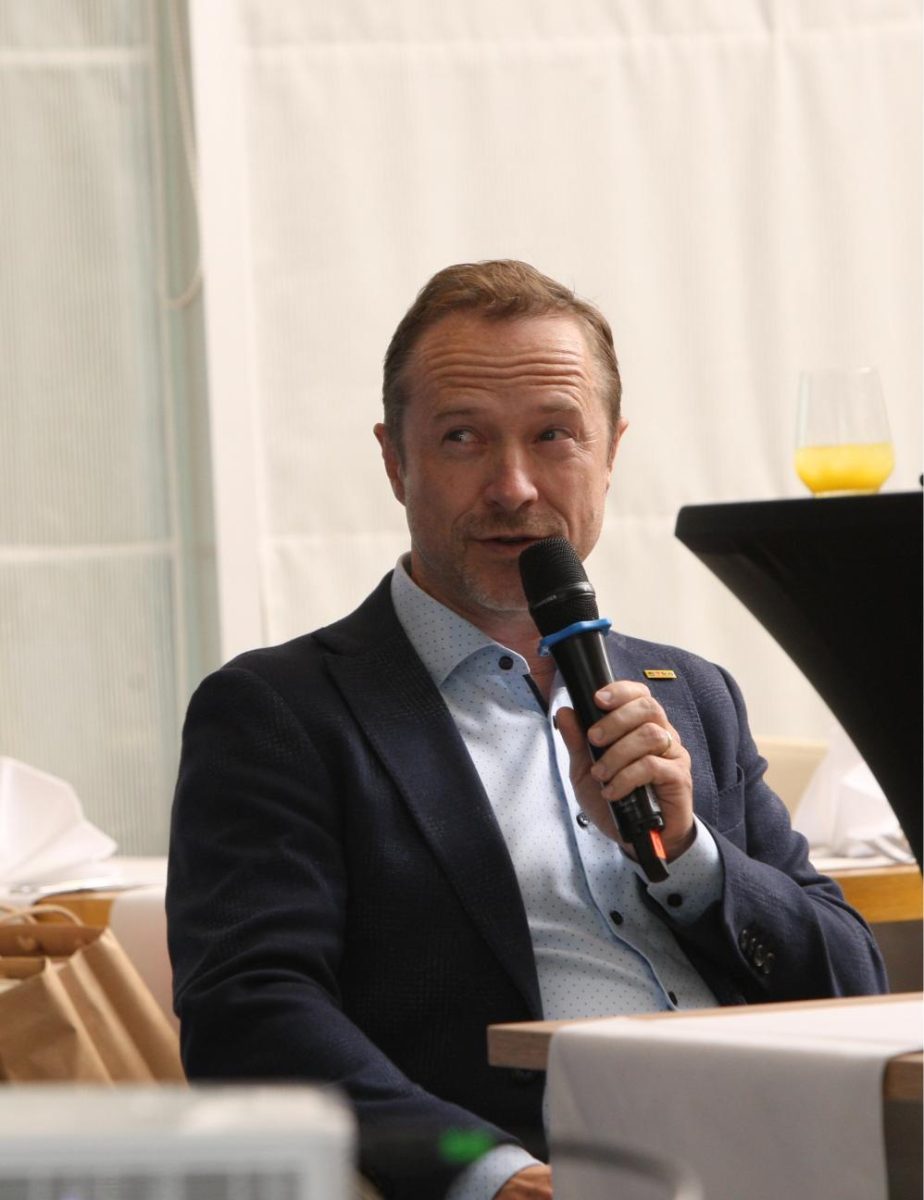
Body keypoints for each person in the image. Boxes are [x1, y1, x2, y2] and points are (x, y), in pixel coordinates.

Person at [166, 260, 887, 1200]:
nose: (513, 487)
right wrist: (493, 1177)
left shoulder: (692, 694)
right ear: (394, 461)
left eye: (554, 435)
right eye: (463, 437)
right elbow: (249, 1018)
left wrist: (693, 860)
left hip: (790, 1157)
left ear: (611, 452)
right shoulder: (282, 711)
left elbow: (855, 987)